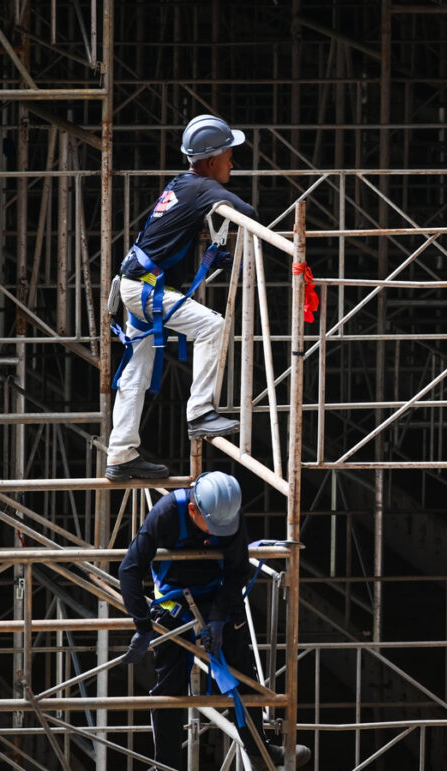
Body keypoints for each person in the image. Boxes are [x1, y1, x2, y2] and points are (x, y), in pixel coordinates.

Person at [118, 471, 311, 770]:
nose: (219, 534)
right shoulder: (167, 513)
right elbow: (130, 568)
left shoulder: (228, 514)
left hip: (216, 595)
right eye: (214, 527)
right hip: (174, 603)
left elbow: (237, 571)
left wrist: (219, 619)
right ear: (194, 510)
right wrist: (142, 626)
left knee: (243, 673)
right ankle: (166, 766)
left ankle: (258, 750)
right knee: (169, 688)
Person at [106, 114, 257, 481]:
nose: (232, 162)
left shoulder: (181, 185)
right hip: (144, 288)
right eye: (227, 156)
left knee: (135, 374)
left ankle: (121, 454)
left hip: (135, 284)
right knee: (214, 327)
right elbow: (249, 214)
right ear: (209, 162)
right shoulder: (201, 189)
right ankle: (200, 413)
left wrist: (209, 252)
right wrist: (219, 212)